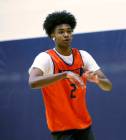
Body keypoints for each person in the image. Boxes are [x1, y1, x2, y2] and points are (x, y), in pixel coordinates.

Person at [28, 10, 112, 140]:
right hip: (61, 128)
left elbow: (108, 86)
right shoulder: (45, 58)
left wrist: (98, 80)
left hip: (84, 125)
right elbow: (33, 82)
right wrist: (64, 74)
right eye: (61, 32)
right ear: (52, 35)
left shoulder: (83, 56)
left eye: (69, 31)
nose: (66, 35)